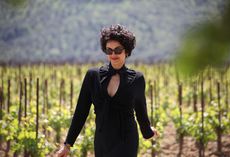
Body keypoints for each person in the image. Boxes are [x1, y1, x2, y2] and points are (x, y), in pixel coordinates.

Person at [56, 24, 158, 157]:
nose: (113, 54)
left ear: (126, 51)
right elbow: (81, 111)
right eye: (109, 51)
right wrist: (67, 145)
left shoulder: (137, 78)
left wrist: (148, 131)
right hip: (102, 141)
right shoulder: (93, 76)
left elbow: (140, 110)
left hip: (127, 141)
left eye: (118, 50)